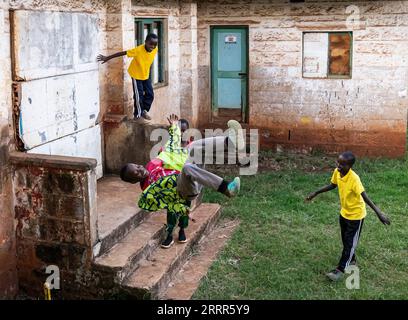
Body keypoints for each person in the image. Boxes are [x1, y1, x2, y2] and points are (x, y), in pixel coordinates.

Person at [120, 116, 245, 249]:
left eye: (138, 166)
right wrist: (185, 210)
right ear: (134, 181)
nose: (140, 169)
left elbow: (169, 148)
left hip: (190, 177)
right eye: (137, 173)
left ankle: (229, 142)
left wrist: (174, 127)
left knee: (193, 147)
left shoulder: (152, 164)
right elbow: (169, 203)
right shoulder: (149, 189)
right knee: (186, 169)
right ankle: (227, 188)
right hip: (184, 191)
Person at [306, 151, 390, 281]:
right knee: (346, 240)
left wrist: (379, 213)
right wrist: (315, 192)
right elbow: (332, 185)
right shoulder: (337, 172)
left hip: (356, 216)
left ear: (350, 166)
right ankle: (352, 259)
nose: (339, 166)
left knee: (350, 243)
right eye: (338, 163)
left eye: (342, 164)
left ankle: (340, 269)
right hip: (344, 213)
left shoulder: (354, 179)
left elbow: (365, 197)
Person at [97, 33, 158, 120]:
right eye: (150, 44)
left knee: (150, 94)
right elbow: (123, 53)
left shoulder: (155, 49)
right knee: (138, 95)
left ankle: (144, 110)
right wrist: (107, 57)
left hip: (145, 74)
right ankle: (137, 115)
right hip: (136, 75)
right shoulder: (138, 50)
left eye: (155, 45)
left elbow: (148, 60)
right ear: (145, 42)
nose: (152, 47)